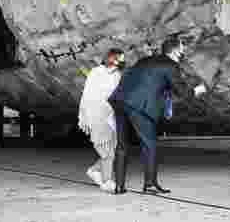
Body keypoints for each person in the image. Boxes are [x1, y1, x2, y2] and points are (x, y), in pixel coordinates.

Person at [108, 37, 207, 195]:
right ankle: (150, 184)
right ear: (175, 51)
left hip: (120, 100)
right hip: (139, 105)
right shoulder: (170, 65)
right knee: (150, 144)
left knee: (121, 145)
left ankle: (119, 186)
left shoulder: (146, 60)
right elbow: (181, 91)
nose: (184, 51)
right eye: (182, 47)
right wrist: (197, 90)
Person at [77, 48, 125, 193]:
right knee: (106, 152)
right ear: (111, 58)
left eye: (122, 59)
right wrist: (85, 116)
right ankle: (107, 182)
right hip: (97, 115)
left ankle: (94, 170)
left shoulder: (118, 75)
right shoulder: (96, 73)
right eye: (120, 58)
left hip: (112, 116)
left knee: (114, 150)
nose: (122, 61)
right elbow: (87, 96)